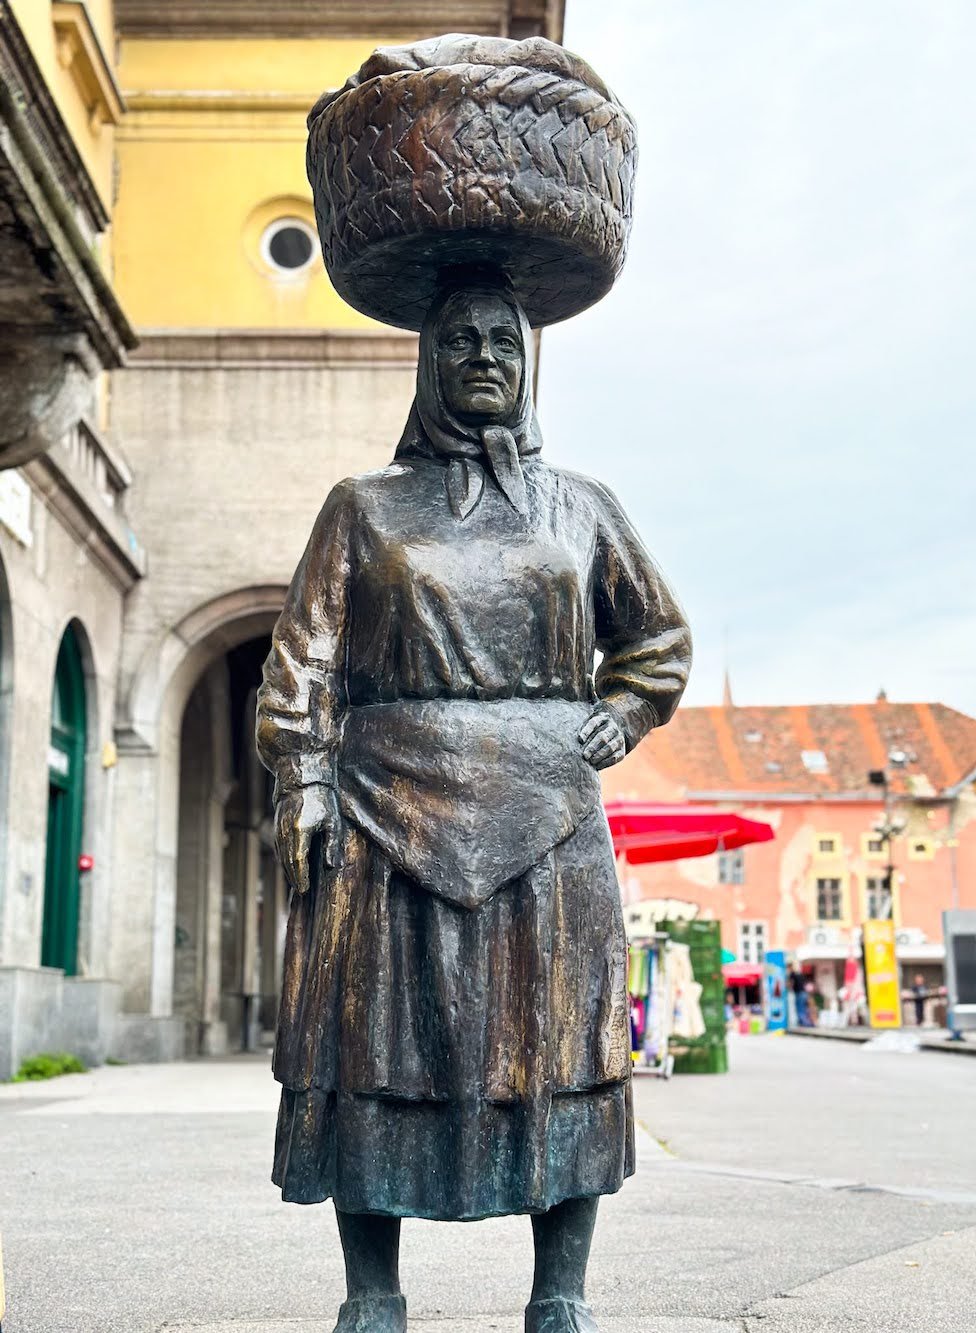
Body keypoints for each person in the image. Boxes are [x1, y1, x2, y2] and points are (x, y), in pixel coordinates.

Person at [256, 275, 692, 1333]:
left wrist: (623, 715)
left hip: (546, 809)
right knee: (372, 1041)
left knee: (561, 1038)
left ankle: (559, 1292)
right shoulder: (362, 508)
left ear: (528, 362)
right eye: (461, 341)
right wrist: (304, 779)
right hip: (383, 800)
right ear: (429, 362)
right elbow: (301, 660)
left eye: (504, 340)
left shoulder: (581, 506)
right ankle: (372, 1293)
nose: (485, 356)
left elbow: (658, 645)